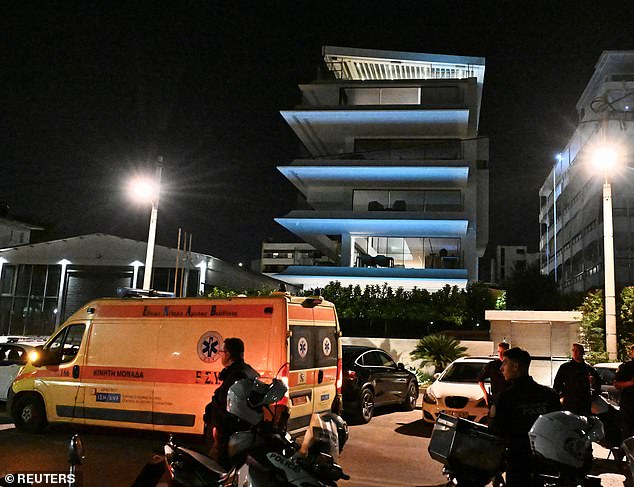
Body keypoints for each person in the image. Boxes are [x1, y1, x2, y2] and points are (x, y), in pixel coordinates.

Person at [490, 347, 560, 487]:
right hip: (547, 466)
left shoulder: (505, 398)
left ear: (515, 366)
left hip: (518, 465)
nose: (501, 368)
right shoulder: (549, 395)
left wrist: (495, 472)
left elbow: (495, 436)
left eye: (505, 363)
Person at [205, 337, 259, 468]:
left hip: (227, 435)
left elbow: (226, 407)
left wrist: (218, 430)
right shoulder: (248, 372)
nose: (221, 356)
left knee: (217, 469)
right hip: (243, 433)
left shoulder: (234, 376)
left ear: (228, 354)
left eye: (222, 352)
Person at [553, 343, 601, 415]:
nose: (574, 353)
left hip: (584, 402)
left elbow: (598, 384)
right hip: (569, 401)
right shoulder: (565, 367)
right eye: (573, 350)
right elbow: (557, 384)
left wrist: (593, 395)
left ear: (582, 352)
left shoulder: (588, 369)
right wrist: (561, 396)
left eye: (577, 351)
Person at [477, 341, 510, 410]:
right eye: (498, 352)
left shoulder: (512, 365)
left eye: (502, 352)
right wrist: (485, 394)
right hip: (496, 399)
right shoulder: (492, 365)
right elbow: (480, 379)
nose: (500, 354)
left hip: (509, 399)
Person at [614, 344, 634, 440]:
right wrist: (630, 383)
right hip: (629, 404)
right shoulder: (625, 367)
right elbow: (616, 384)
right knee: (627, 432)